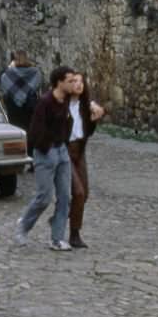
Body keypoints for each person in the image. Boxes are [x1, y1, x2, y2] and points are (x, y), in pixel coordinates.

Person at [16, 66, 77, 252]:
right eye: (70, 81)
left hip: (62, 151)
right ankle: (24, 225)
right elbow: (34, 131)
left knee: (65, 196)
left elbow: (69, 120)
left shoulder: (66, 99)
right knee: (44, 197)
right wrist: (46, 147)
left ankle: (56, 239)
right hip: (46, 152)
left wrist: (64, 142)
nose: (73, 84)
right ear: (59, 82)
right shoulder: (45, 102)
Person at [67, 72, 105, 249]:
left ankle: (66, 214)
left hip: (79, 151)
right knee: (79, 193)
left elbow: (89, 130)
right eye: (74, 81)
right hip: (65, 151)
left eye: (81, 82)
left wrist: (95, 118)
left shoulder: (85, 106)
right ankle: (74, 234)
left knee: (85, 194)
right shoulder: (62, 105)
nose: (79, 85)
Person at [0, 50, 43, 157]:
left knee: (16, 131)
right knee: (31, 131)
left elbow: (1, 79)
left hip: (14, 107)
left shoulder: (9, 72)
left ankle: (17, 156)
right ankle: (32, 157)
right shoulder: (34, 71)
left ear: (14, 59)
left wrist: (9, 67)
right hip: (30, 106)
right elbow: (38, 83)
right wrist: (27, 92)